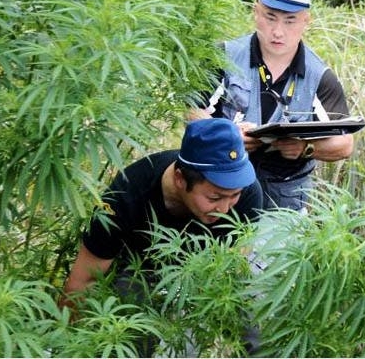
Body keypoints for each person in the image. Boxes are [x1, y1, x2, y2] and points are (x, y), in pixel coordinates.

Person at [61, 118, 263, 318]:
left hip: (204, 269)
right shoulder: (125, 196)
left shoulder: (247, 192)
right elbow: (83, 282)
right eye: (214, 198)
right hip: (140, 269)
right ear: (180, 179)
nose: (224, 209)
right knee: (133, 320)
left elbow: (235, 262)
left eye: (234, 195)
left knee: (251, 326)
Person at [189, 0, 354, 212]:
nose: (278, 31)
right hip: (218, 193)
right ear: (256, 12)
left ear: (305, 21)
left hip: (284, 202)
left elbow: (345, 143)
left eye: (290, 20)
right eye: (270, 17)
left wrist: (305, 148)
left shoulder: (321, 77)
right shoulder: (222, 56)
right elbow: (189, 109)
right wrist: (226, 134)